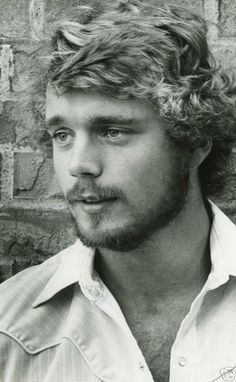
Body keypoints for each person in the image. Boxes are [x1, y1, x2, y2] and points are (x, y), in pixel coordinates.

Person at [0, 1, 236, 381]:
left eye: (113, 131)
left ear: (194, 141)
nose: (79, 164)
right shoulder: (9, 332)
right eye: (62, 135)